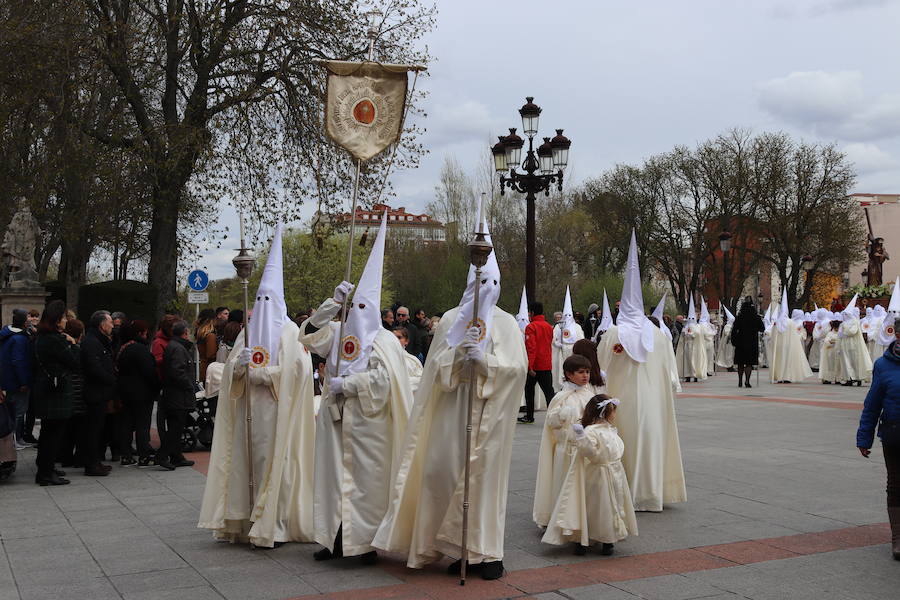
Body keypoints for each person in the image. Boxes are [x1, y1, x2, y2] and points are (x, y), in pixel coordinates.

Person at [373, 224, 528, 580]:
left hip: (489, 416)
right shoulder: (450, 322)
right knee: (443, 475)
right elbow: (435, 369)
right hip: (452, 413)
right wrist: (461, 358)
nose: (485, 291)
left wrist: (485, 362)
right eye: (480, 284)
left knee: (484, 482)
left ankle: (485, 552)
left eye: (491, 285)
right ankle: (452, 548)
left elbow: (517, 370)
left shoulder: (505, 324)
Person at [300, 213, 413, 563]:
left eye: (362, 307)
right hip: (335, 421)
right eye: (353, 306)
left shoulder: (383, 341)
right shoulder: (338, 332)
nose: (357, 312)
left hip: (369, 423)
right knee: (333, 480)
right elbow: (307, 335)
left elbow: (386, 380)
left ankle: (362, 544)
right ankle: (332, 540)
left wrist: (349, 384)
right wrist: (331, 305)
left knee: (365, 487)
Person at [199, 224, 317, 548]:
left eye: (269, 298)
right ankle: (246, 518)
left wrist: (262, 374)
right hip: (248, 411)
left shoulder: (290, 333)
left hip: (277, 412)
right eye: (259, 298)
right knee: (245, 465)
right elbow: (232, 371)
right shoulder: (245, 333)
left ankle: (273, 524)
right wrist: (240, 366)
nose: (263, 303)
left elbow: (300, 372)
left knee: (273, 465)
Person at [596, 231, 686, 512]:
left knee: (625, 443)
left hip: (620, 401)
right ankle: (649, 492)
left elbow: (600, 370)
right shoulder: (659, 335)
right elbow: (671, 372)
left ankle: (626, 493)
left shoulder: (613, 333)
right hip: (653, 402)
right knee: (649, 443)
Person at [541, 395, 637, 556]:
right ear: (604, 412)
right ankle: (583, 539)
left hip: (613, 473)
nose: (615, 415)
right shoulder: (591, 431)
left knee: (612, 505)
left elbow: (617, 449)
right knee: (596, 507)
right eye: (613, 411)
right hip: (598, 475)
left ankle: (608, 538)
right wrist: (582, 438)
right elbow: (591, 453)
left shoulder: (609, 430)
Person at [533, 354, 597, 529]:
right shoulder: (560, 397)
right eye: (581, 372)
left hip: (585, 449)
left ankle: (585, 517)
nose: (585, 376)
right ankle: (563, 519)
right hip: (567, 448)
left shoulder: (589, 394)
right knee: (565, 485)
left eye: (588, 372)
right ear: (569, 374)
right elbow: (551, 424)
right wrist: (561, 416)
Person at [856, 316, 900, 560]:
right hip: (895, 433)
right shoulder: (883, 365)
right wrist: (864, 437)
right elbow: (872, 404)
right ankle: (898, 538)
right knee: (896, 485)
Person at [31, 300, 79, 485]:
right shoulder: (55, 340)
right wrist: (73, 342)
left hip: (46, 388)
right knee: (53, 435)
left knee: (47, 433)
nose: (66, 321)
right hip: (56, 392)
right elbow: (74, 361)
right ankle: (45, 473)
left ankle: (46, 468)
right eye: (64, 317)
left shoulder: (41, 337)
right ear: (57, 320)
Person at [116, 320, 159, 466]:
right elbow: (149, 372)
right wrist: (156, 386)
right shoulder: (140, 350)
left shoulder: (123, 349)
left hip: (125, 391)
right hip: (142, 392)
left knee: (126, 423)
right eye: (145, 332)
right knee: (142, 424)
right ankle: (144, 455)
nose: (147, 334)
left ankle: (126, 455)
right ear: (140, 333)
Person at [80, 310, 117, 476]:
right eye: (110, 323)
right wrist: (111, 379)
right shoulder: (92, 342)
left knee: (98, 429)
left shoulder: (100, 341)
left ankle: (96, 462)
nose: (112, 326)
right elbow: (94, 368)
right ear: (102, 325)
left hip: (101, 392)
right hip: (95, 392)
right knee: (93, 430)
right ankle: (91, 464)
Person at [157, 320, 196, 470]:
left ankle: (176, 456)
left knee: (177, 426)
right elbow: (177, 372)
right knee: (175, 427)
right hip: (177, 395)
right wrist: (189, 385)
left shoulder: (176, 346)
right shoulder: (178, 349)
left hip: (177, 394)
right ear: (185, 333)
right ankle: (162, 455)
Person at [0, 309, 32, 449]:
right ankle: (14, 440)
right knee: (18, 411)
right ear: (24, 322)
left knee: (13, 410)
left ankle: (16, 439)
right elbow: (19, 361)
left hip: (8, 379)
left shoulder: (8, 334)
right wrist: (24, 381)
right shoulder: (19, 338)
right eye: (29, 318)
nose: (31, 320)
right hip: (17, 381)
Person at [769, 290, 813, 384]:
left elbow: (773, 335)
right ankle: (787, 376)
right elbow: (794, 335)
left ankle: (780, 376)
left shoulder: (777, 323)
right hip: (789, 345)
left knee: (780, 360)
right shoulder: (790, 322)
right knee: (787, 360)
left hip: (779, 346)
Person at [522, 301, 554, 424]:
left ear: (532, 312)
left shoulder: (531, 327)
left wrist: (530, 366)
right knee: (549, 392)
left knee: (529, 390)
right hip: (546, 363)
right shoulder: (548, 326)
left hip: (535, 365)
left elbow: (531, 347)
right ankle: (553, 416)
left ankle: (529, 416)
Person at [551, 287, 585, 392]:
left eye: (569, 315)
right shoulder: (558, 327)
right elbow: (553, 339)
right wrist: (558, 344)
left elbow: (581, 340)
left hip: (573, 353)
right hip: (561, 353)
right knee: (560, 370)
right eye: (566, 315)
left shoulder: (577, 327)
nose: (568, 317)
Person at [837, 295, 873, 387]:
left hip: (853, 344)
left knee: (855, 361)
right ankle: (849, 378)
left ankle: (857, 377)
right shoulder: (844, 323)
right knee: (846, 361)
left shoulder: (854, 322)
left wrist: (844, 330)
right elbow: (840, 334)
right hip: (845, 344)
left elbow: (852, 332)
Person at [730, 298, 764, 388]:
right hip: (752, 342)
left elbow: (734, 330)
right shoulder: (756, 317)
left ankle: (740, 380)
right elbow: (762, 328)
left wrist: (734, 341)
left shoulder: (739, 317)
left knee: (740, 363)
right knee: (749, 363)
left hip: (740, 342)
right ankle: (747, 381)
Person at [676, 296, 706, 382]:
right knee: (687, 361)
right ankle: (687, 375)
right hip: (687, 346)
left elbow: (697, 334)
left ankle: (695, 375)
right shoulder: (685, 327)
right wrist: (685, 334)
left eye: (692, 318)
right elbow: (682, 336)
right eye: (690, 318)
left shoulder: (697, 327)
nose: (691, 320)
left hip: (695, 347)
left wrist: (690, 334)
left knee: (694, 360)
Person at [392, 326, 424, 393]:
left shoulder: (413, 361)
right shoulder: (383, 359)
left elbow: (421, 380)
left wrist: (399, 384)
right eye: (393, 337)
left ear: (406, 341)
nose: (395, 340)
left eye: (399, 337)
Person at [194, 308, 218, 383]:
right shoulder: (210, 336)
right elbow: (211, 355)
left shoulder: (200, 333)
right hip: (210, 371)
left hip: (204, 368)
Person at [715, 307, 736, 372]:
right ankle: (729, 366)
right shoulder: (728, 326)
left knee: (731, 354)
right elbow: (727, 333)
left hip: (731, 342)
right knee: (728, 355)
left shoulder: (731, 325)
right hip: (728, 343)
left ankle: (731, 365)